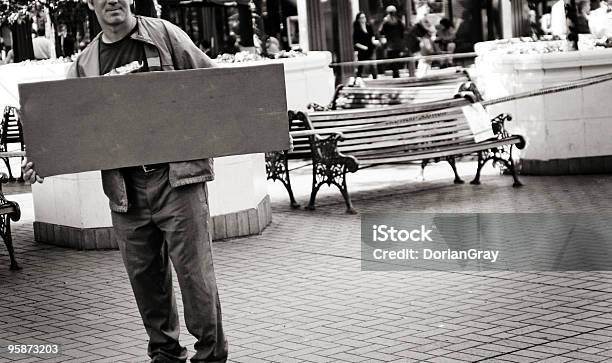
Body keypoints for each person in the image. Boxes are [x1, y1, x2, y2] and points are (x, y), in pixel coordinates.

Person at [22, 0, 228, 361]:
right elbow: (68, 127)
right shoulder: (86, 63)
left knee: (196, 279)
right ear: (90, 2)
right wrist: (42, 159)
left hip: (177, 180)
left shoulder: (165, 35)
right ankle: (165, 355)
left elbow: (213, 86)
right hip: (125, 192)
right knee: (146, 284)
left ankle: (211, 356)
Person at [379, 5, 405, 78]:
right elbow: (403, 30)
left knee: (392, 59)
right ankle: (396, 73)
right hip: (398, 43)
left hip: (390, 44)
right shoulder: (398, 20)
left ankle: (395, 73)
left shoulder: (386, 21)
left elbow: (381, 31)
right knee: (396, 59)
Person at [353, 12, 379, 79]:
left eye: (364, 17)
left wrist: (373, 41)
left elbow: (372, 35)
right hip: (362, 50)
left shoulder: (368, 26)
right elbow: (355, 42)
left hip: (371, 48)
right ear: (358, 19)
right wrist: (363, 47)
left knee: (373, 64)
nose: (363, 19)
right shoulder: (357, 29)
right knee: (361, 65)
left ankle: (375, 78)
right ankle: (358, 79)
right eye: (361, 18)